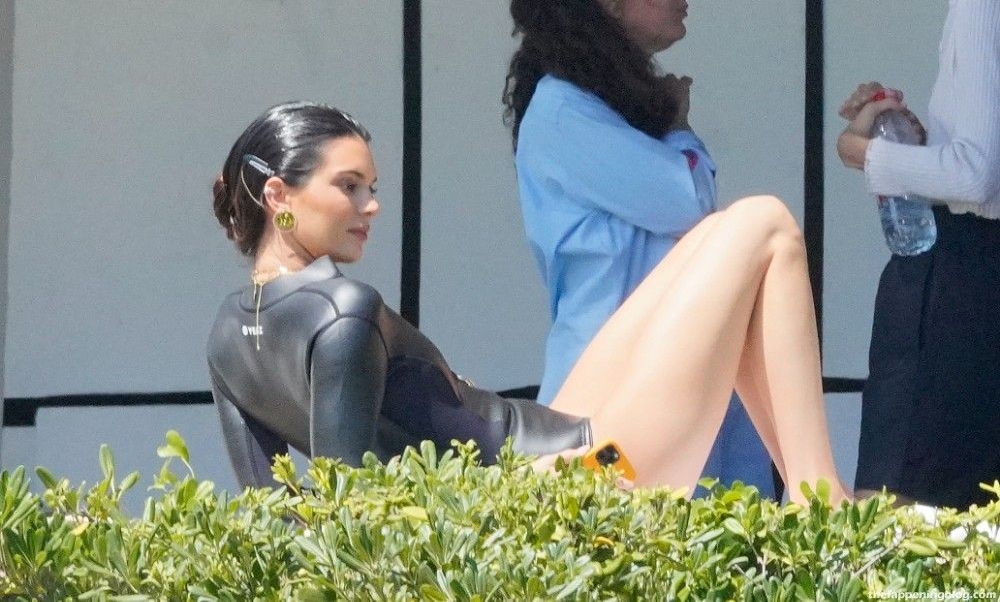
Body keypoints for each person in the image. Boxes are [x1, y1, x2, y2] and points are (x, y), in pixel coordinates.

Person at [207, 101, 849, 505]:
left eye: (371, 186)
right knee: (765, 223)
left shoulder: (227, 337)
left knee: (716, 237)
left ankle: (811, 496)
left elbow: (269, 508)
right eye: (348, 186)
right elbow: (350, 513)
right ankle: (822, 504)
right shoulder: (342, 311)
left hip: (557, 442)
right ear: (278, 197)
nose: (370, 205)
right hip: (588, 476)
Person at [502, 0, 773, 494]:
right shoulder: (563, 110)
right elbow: (687, 203)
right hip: (617, 386)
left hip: (686, 374)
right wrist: (678, 128)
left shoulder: (609, 107)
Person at [836, 0, 1000, 508]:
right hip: (977, 272)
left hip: (959, 276)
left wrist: (862, 152)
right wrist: (909, 137)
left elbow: (973, 177)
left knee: (896, 512)